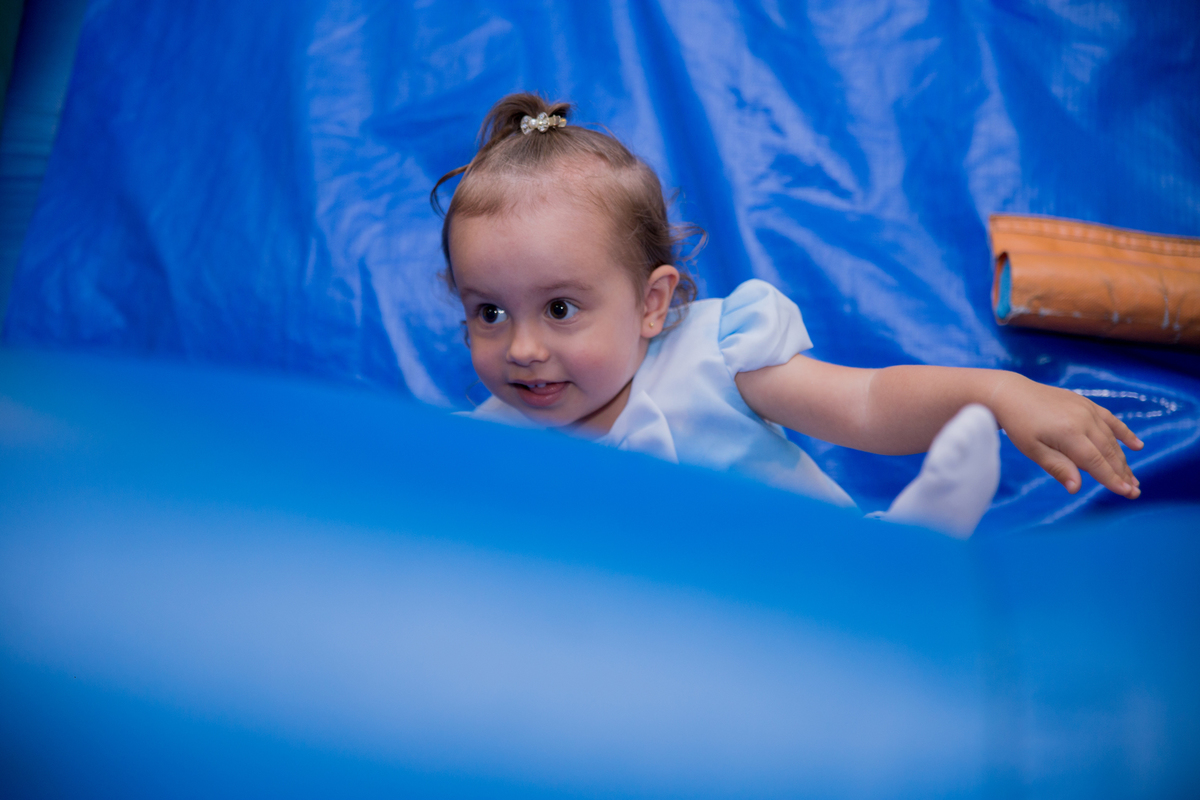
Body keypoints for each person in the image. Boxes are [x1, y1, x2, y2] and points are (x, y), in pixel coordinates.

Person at [431, 94, 1142, 537]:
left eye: (559, 308)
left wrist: (998, 393)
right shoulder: (491, 441)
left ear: (652, 303)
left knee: (849, 573)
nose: (522, 347)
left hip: (805, 588)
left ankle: (906, 557)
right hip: (674, 638)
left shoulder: (713, 357)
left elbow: (866, 403)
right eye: (488, 312)